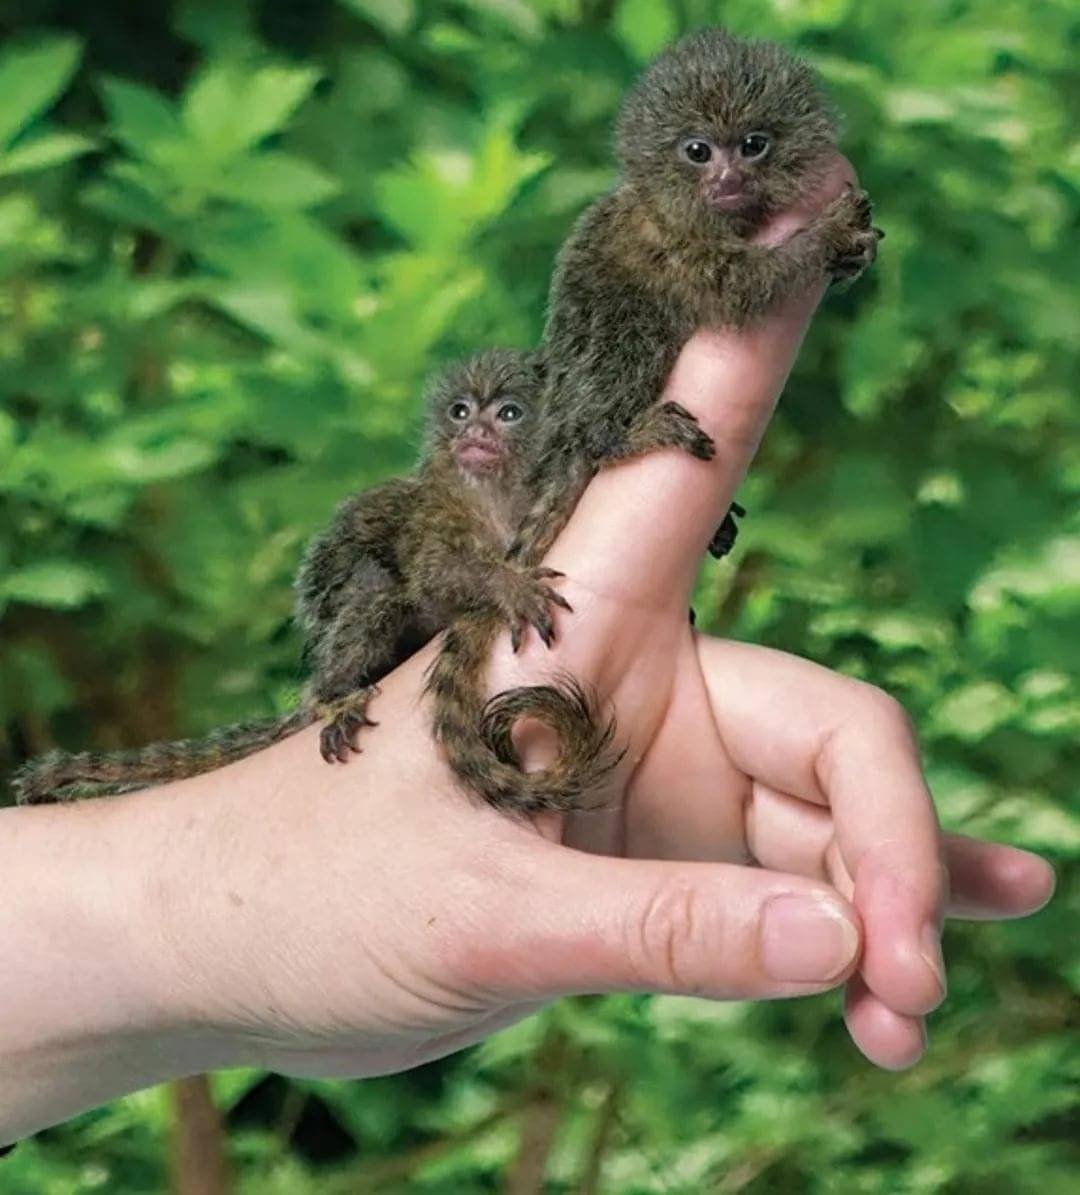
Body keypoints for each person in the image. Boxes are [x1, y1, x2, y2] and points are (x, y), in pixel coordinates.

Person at [0, 174, 1054, 1151]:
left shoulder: (547, 478)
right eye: (463, 414)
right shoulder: (432, 512)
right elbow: (453, 573)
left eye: (506, 413)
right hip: (381, 651)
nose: (482, 432)